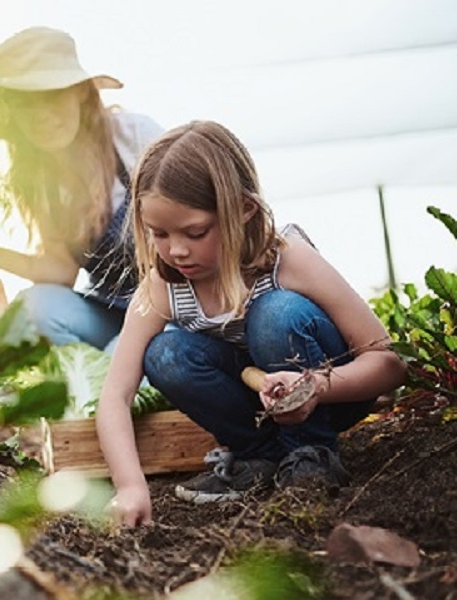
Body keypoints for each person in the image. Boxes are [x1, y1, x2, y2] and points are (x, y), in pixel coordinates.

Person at [95, 120, 407, 526]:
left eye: (195, 232)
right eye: (159, 233)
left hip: (331, 397)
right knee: (166, 354)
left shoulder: (287, 259)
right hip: (259, 407)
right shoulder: (161, 289)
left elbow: (388, 363)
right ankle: (262, 456)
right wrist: (130, 487)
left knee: (275, 314)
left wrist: (313, 386)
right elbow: (114, 397)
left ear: (244, 209)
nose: (176, 250)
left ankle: (311, 455)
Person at [0, 26, 163, 350]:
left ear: (81, 93)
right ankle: (92, 373)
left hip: (173, 311)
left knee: (121, 355)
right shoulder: (41, 182)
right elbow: (62, 271)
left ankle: (112, 373)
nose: (41, 115)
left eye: (52, 96)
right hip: (110, 313)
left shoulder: (136, 138)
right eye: (26, 102)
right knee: (33, 308)